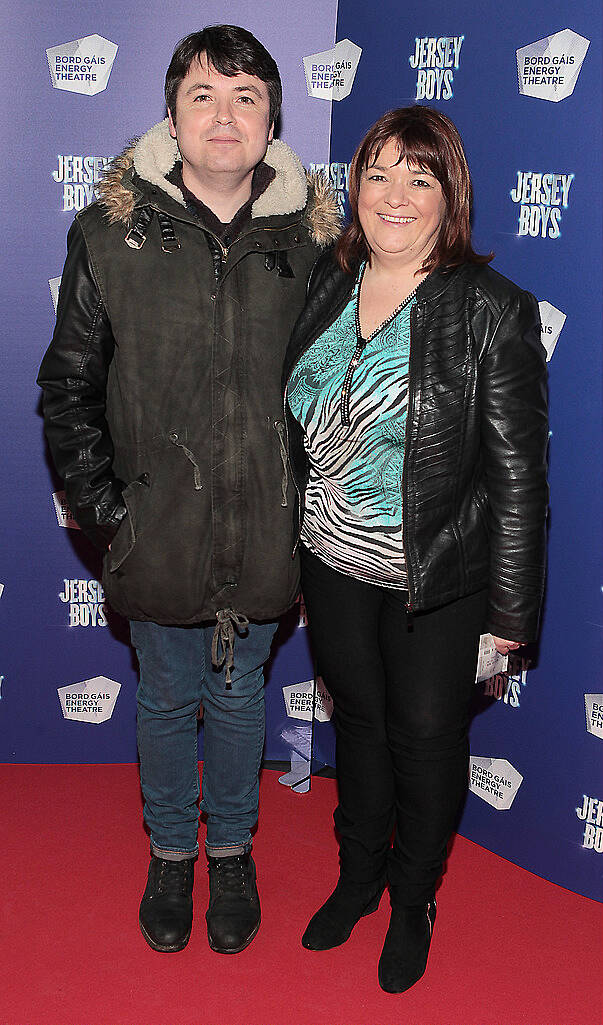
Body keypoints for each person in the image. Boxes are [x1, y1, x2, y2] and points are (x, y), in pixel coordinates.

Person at [38, 25, 338, 956]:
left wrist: (308, 514)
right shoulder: (108, 234)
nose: (224, 115)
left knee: (242, 695)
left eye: (246, 97)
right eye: (204, 95)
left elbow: (338, 393)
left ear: (271, 120)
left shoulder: (320, 244)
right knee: (167, 696)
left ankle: (233, 850)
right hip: (157, 531)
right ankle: (173, 851)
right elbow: (69, 387)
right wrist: (111, 512)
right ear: (171, 113)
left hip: (265, 534)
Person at [283, 106, 548, 992]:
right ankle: (358, 874)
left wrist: (509, 615)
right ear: (352, 185)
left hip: (432, 578)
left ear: (449, 195)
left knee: (426, 736)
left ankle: (411, 897)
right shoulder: (328, 279)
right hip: (329, 558)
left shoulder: (489, 310)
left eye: (419, 177)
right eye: (378, 173)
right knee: (356, 722)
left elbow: (517, 478)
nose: (393, 195)